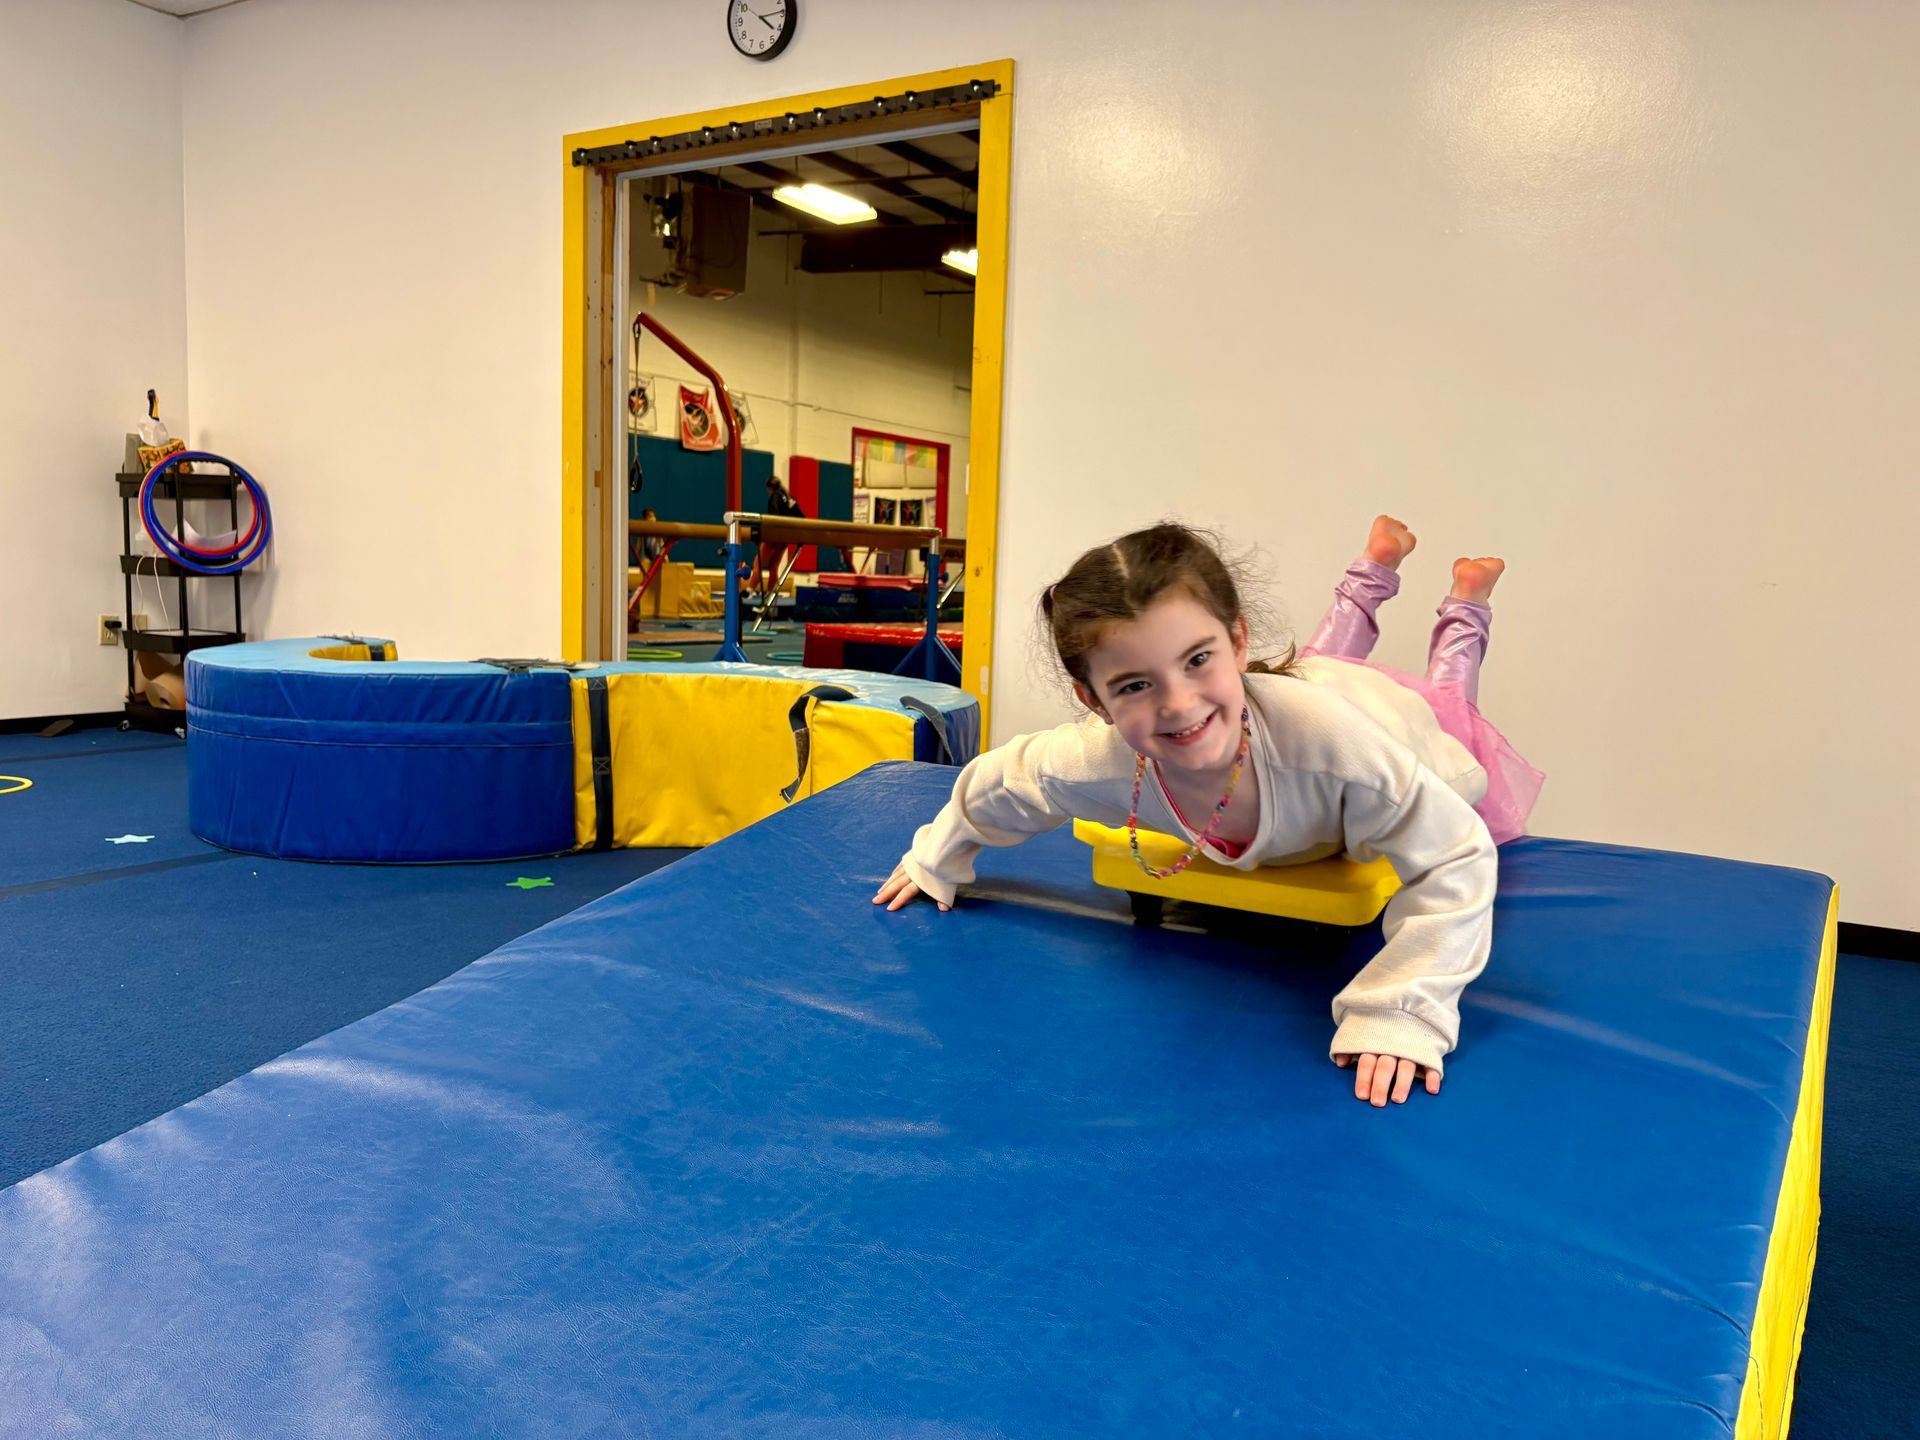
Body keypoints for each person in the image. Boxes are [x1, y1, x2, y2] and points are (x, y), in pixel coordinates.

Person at [873, 517, 1544, 1108]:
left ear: (1237, 642)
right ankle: (1375, 566)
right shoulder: (1098, 757)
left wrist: (1403, 1008)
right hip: (1298, 698)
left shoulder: (1342, 753)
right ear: (1095, 701)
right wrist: (936, 855)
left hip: (1385, 724)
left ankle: (1465, 601)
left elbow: (1453, 853)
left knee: (1452, 705)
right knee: (1317, 664)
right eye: (1135, 685)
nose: (1180, 705)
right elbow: (1002, 781)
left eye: (1198, 660)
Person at [758, 475, 806, 600]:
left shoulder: (774, 496)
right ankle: (771, 592)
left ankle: (749, 589)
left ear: (769, 488)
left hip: (774, 534)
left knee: (759, 563)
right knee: (774, 565)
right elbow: (801, 517)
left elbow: (774, 516)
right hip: (785, 536)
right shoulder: (789, 498)